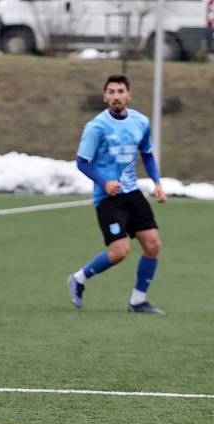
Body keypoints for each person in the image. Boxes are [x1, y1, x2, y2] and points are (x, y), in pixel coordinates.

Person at [69, 74, 166, 314]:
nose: (116, 96)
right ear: (104, 97)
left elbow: (147, 154)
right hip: (108, 198)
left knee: (153, 245)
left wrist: (157, 183)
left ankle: (137, 301)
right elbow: (82, 162)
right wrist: (104, 182)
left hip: (132, 194)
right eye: (111, 92)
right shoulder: (96, 127)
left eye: (120, 91)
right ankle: (79, 278)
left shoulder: (141, 122)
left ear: (128, 95)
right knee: (120, 252)